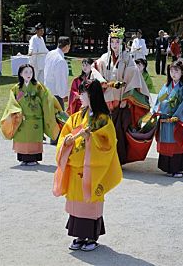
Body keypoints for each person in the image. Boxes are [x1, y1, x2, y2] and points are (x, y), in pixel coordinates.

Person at [53, 79, 122, 251]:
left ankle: (91, 238)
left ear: (92, 96)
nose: (79, 96)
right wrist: (66, 141)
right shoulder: (76, 117)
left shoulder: (103, 119)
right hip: (76, 168)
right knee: (77, 203)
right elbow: (64, 135)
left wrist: (91, 137)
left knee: (89, 201)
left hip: (92, 169)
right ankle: (78, 236)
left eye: (83, 93)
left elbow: (109, 143)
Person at [93, 24, 150, 164]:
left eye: (117, 41)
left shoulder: (127, 58)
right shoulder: (104, 58)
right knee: (104, 129)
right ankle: (105, 157)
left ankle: (118, 158)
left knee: (119, 130)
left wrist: (126, 98)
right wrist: (102, 82)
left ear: (121, 42)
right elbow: (95, 71)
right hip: (107, 100)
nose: (114, 44)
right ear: (109, 42)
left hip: (121, 100)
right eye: (112, 41)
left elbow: (133, 76)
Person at [0, 64, 62, 166]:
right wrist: (16, 110)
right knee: (22, 138)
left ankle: (34, 158)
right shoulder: (16, 88)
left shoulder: (38, 86)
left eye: (31, 72)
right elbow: (12, 102)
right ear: (20, 74)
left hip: (35, 120)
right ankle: (22, 158)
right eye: (26, 72)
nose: (29, 74)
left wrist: (50, 109)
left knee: (34, 138)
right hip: (22, 119)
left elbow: (47, 99)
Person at [152, 60, 183, 177]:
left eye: (176, 71)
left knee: (177, 141)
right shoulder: (166, 87)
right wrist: (159, 111)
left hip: (177, 121)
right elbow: (159, 101)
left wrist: (177, 116)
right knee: (167, 142)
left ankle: (177, 168)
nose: (173, 73)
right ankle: (167, 167)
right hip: (165, 121)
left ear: (182, 73)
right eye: (171, 71)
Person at [44, 36, 71, 144]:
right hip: (56, 92)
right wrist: (63, 94)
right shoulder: (60, 61)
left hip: (48, 89)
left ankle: (53, 137)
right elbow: (61, 80)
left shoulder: (50, 54)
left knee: (51, 116)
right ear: (67, 46)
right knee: (59, 117)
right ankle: (56, 138)